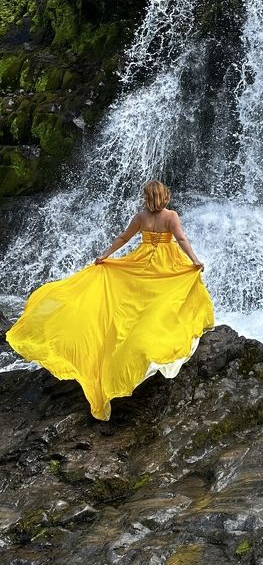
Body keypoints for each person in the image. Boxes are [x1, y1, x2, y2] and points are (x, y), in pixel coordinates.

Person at [6, 180, 215, 421]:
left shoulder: (141, 217)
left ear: (147, 197)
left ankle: (133, 331)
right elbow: (181, 240)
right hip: (166, 265)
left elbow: (124, 238)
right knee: (167, 294)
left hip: (141, 262)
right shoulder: (171, 216)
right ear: (164, 196)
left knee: (135, 298)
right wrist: (194, 260)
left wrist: (105, 255)